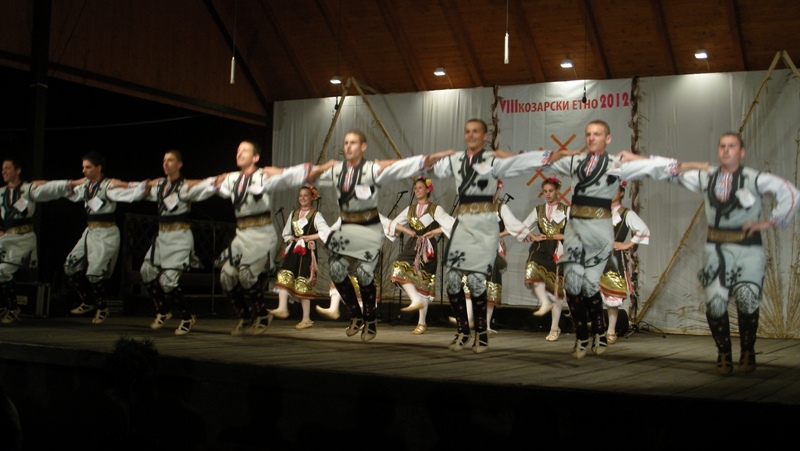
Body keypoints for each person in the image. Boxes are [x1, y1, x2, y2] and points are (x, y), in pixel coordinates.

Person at [654, 132, 799, 374]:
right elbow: (671, 173)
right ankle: (723, 352)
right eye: (722, 146)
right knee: (715, 303)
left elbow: (791, 193)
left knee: (747, 299)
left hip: (748, 247)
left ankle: (747, 350)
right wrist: (635, 164)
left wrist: (770, 221)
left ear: (741, 152)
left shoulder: (755, 178)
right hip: (716, 247)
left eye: (732, 146)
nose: (726, 150)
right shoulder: (707, 175)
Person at [429, 119, 567, 353]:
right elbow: (434, 167)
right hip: (464, 224)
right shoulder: (458, 160)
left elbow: (519, 162)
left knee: (476, 282)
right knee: (452, 281)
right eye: (467, 131)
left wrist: (548, 157)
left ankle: (481, 333)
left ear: (485, 136)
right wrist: (430, 160)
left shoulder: (494, 161)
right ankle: (463, 330)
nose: (471, 135)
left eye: (476, 132)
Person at [544, 120, 680, 358]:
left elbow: (654, 167)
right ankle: (582, 335)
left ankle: (599, 331)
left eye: (597, 134)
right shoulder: (577, 163)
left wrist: (659, 163)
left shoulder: (615, 165)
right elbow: (547, 160)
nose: (591, 138)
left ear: (607, 139)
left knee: (590, 287)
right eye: (588, 134)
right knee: (572, 287)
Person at [313, 129, 453, 342]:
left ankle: (371, 320)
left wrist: (427, 160)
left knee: (364, 274)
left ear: (363, 146)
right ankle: (356, 315)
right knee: (336, 270)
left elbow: (399, 167)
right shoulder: (339, 171)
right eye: (346, 142)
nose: (348, 146)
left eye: (353, 142)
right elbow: (312, 175)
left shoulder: (373, 169)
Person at [215, 140, 313, 336]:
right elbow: (212, 186)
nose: (239, 153)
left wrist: (298, 171)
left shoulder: (263, 176)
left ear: (255, 157)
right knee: (226, 276)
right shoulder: (233, 179)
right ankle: (244, 316)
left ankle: (261, 314)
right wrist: (217, 180)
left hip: (261, 234)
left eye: (245, 150)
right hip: (242, 235)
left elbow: (286, 176)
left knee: (246, 276)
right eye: (238, 150)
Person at [60, 152, 145, 323]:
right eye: (83, 167)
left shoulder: (108, 186)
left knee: (95, 274)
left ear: (98, 168)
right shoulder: (86, 186)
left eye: (88, 167)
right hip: (90, 231)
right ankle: (87, 301)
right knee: (70, 266)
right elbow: (72, 186)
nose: (84, 170)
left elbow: (129, 192)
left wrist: (129, 185)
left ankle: (102, 307)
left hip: (106, 232)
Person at [138, 150, 216, 335]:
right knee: (146, 271)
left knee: (168, 282)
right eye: (164, 160)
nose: (166, 163)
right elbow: (145, 187)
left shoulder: (184, 186)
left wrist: (208, 182)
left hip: (179, 236)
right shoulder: (160, 185)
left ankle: (186, 317)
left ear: (179, 164)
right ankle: (163, 310)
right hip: (162, 236)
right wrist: (146, 185)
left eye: (170, 160)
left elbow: (202, 185)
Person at [0, 158, 67, 324]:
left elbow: (51, 189)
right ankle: (10, 306)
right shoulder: (1, 192)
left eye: (7, 168)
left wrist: (42, 183)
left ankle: (12, 307)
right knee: (3, 274)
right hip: (6, 237)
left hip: (23, 238)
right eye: (3, 169)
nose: (4, 172)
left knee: (3, 271)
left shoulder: (28, 189)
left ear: (17, 170)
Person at [386, 176, 455, 334]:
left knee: (423, 283)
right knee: (398, 268)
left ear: (428, 190)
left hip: (428, 248)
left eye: (420, 187)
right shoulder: (410, 209)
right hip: (412, 245)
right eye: (415, 188)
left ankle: (422, 323)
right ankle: (415, 299)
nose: (417, 190)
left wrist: (435, 231)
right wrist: (403, 230)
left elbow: (451, 224)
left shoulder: (435, 209)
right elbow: (395, 223)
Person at [270, 185, 332, 329]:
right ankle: (282, 307)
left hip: (307, 251)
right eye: (300, 196)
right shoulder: (294, 214)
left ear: (312, 197)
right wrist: (291, 238)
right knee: (285, 274)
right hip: (294, 249)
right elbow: (286, 232)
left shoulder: (315, 215)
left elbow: (326, 232)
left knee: (303, 281)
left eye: (305, 195)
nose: (302, 198)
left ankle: (306, 319)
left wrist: (310, 237)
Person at [599, 181, 650, 344]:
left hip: (613, 257)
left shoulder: (626, 213)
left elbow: (643, 230)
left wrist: (627, 244)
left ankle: (610, 330)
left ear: (621, 193)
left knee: (611, 295)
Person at [523, 176, 569, 341]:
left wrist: (562, 235)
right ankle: (544, 301)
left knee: (556, 290)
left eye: (551, 191)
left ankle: (554, 328)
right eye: (545, 191)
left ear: (557, 191)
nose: (548, 194)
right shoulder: (539, 210)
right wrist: (534, 236)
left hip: (558, 249)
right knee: (531, 269)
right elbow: (523, 226)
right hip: (542, 247)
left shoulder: (566, 210)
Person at [487, 183, 536, 333]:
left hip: (493, 249)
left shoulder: (500, 207)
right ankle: (470, 319)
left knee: (491, 285)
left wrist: (532, 236)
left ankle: (486, 324)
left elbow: (514, 225)